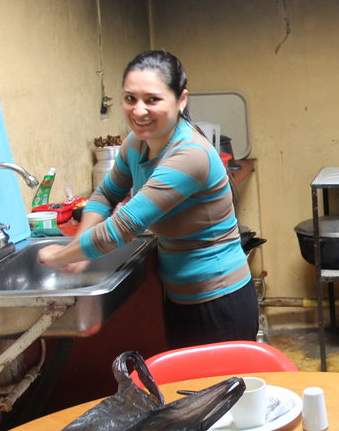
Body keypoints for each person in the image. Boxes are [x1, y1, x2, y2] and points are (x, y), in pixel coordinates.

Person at [38, 50, 258, 347]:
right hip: (180, 296)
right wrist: (80, 244)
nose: (139, 111)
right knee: (187, 391)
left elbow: (122, 227)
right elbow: (105, 193)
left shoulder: (189, 155)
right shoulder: (137, 142)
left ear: (181, 100)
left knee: (218, 391)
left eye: (152, 100)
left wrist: (59, 256)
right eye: (130, 99)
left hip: (218, 301)